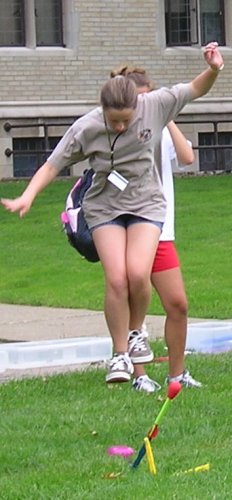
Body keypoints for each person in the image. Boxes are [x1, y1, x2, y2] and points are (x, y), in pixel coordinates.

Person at [1, 42, 224, 386]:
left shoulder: (155, 105)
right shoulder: (85, 127)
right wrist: (27, 196)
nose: (121, 127)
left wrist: (213, 69)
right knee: (117, 277)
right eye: (114, 120)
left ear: (138, 105)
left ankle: (137, 334)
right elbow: (52, 165)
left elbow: (195, 89)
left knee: (138, 273)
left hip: (146, 204)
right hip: (104, 207)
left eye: (127, 119)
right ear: (102, 110)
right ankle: (120, 353)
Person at [110, 65, 201, 393]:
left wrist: (168, 118)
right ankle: (138, 374)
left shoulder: (159, 128)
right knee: (136, 303)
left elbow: (188, 157)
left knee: (177, 303)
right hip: (132, 228)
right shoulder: (119, 135)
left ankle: (176, 374)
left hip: (162, 230)